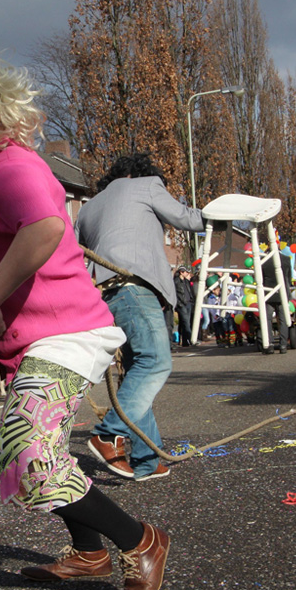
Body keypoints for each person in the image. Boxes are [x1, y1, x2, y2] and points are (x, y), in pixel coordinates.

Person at [0, 49, 169, 590]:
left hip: (67, 333)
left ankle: (141, 542)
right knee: (41, 454)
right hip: (30, 338)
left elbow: (45, 228)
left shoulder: (14, 167)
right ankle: (89, 553)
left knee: (26, 453)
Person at [74, 152, 204, 481]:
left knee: (136, 372)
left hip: (106, 296)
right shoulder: (146, 185)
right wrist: (230, 216)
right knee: (156, 362)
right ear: (140, 173)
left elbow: (74, 253)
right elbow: (188, 219)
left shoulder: (88, 207)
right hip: (135, 288)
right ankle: (108, 435)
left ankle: (147, 458)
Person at [173, 266, 194, 347]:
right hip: (181, 304)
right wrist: (178, 304)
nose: (187, 273)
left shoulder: (186, 281)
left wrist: (191, 300)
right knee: (186, 322)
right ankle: (191, 339)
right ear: (181, 272)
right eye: (186, 272)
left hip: (188, 303)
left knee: (185, 323)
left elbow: (189, 291)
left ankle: (185, 341)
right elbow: (176, 293)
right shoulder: (176, 281)